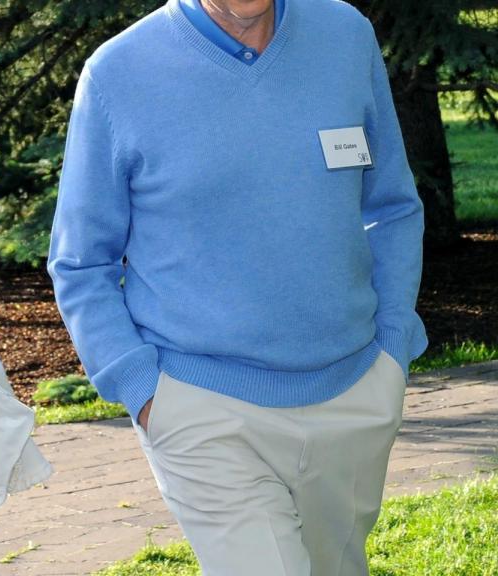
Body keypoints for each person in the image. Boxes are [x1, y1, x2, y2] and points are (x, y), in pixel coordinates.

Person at [47, 0, 426, 574]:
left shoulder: (346, 35)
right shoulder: (118, 74)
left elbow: (392, 207)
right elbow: (81, 262)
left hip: (354, 395)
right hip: (203, 406)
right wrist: (144, 390)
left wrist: (392, 347)